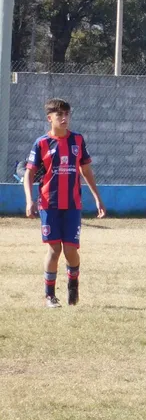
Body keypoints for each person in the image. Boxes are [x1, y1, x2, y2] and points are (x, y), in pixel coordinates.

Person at [23, 98, 107, 308]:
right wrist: (29, 200)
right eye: (59, 115)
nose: (64, 118)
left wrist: (97, 198)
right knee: (54, 250)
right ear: (49, 118)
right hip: (49, 204)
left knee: (70, 250)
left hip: (72, 205)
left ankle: (73, 284)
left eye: (67, 114)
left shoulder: (77, 140)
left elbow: (85, 170)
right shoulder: (41, 143)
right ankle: (50, 296)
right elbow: (29, 173)